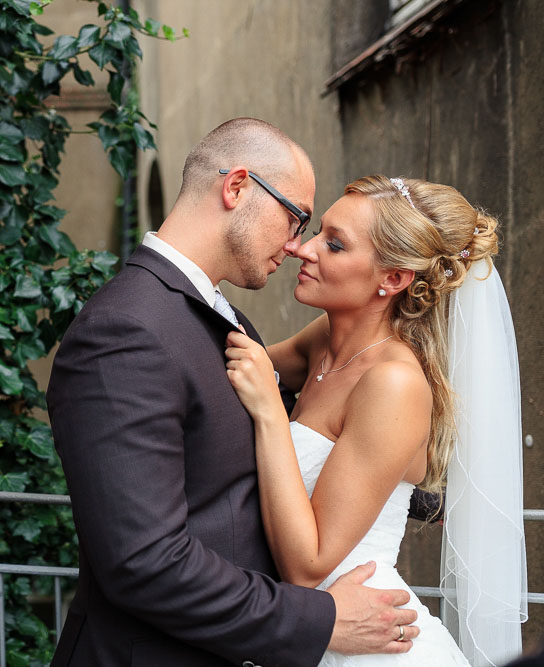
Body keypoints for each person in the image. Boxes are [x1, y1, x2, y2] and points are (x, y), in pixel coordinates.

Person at [46, 118, 420, 667]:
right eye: (296, 219)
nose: (298, 246)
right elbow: (144, 563)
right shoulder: (125, 330)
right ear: (237, 187)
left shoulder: (226, 320)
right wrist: (322, 620)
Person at [224, 174, 527, 665]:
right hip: (304, 627)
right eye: (319, 230)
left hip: (369, 637)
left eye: (335, 245)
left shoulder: (393, 384)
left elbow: (307, 565)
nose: (304, 249)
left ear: (392, 280)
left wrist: (269, 413)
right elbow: (237, 371)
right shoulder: (326, 339)